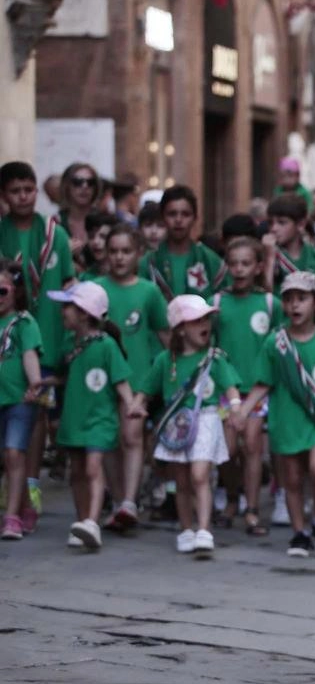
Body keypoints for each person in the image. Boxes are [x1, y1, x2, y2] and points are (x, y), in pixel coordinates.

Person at [230, 271, 315, 558]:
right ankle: (299, 532)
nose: (295, 306)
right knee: (291, 479)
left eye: (302, 299)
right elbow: (262, 383)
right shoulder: (275, 343)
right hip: (286, 419)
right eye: (289, 299)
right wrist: (243, 410)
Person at [130, 295, 240, 559]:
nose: (205, 325)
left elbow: (231, 387)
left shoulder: (214, 358)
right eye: (197, 320)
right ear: (180, 328)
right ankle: (186, 529)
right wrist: (136, 404)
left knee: (200, 474)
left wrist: (236, 407)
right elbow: (146, 387)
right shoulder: (165, 360)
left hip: (207, 418)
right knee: (180, 480)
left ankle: (204, 530)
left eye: (206, 319)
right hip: (175, 423)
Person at [0, 161, 75, 521]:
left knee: (39, 413)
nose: (23, 196)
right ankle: (12, 481)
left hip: (47, 336)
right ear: (4, 196)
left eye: (28, 189)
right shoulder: (0, 232)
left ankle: (30, 482)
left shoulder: (53, 234)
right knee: (10, 411)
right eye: (15, 191)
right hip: (8, 345)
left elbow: (68, 283)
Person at [45, 282, 136, 550]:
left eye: (67, 306)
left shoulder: (107, 345)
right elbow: (63, 377)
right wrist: (41, 384)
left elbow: (121, 380)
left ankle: (92, 523)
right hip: (74, 419)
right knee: (77, 474)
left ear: (84, 313)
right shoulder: (68, 343)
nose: (62, 312)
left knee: (93, 468)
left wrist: (131, 405)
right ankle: (82, 520)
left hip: (100, 419)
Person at [96, 224, 170, 529]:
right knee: (110, 440)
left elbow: (165, 333)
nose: (119, 257)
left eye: (126, 251)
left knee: (132, 435)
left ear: (139, 254)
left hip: (138, 378)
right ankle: (117, 500)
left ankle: (129, 500)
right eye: (113, 251)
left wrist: (176, 368)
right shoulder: (97, 287)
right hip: (101, 380)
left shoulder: (148, 291)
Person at [212, 237, 281, 534]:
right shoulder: (216, 303)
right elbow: (210, 348)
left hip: (258, 389)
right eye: (234, 263)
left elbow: (278, 347)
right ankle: (231, 497)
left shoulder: (269, 303)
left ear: (258, 267)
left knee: (252, 445)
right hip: (227, 389)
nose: (239, 269)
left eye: (246, 263)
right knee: (227, 450)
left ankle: (252, 508)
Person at [0, 264, 44, 540]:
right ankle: (27, 506)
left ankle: (12, 516)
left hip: (19, 399)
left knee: (15, 453)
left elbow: (29, 354)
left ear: (15, 292)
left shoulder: (24, 322)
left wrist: (35, 382)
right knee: (4, 457)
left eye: (2, 290)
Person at [140, 186, 226, 301]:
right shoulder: (148, 263)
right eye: (172, 214)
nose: (178, 220)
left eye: (185, 214)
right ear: (163, 217)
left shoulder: (211, 261)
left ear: (195, 218)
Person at [264, 193, 315, 294]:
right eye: (270, 223)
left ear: (301, 224)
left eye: (281, 222)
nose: (274, 228)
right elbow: (265, 297)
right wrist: (269, 258)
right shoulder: (263, 254)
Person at [57, 163, 103, 255]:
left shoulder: (105, 222)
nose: (84, 186)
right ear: (67, 186)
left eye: (90, 182)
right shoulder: (55, 224)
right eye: (77, 182)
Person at [78, 211, 118, 281]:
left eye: (103, 237)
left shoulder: (126, 276)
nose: (95, 242)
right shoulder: (84, 278)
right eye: (91, 237)